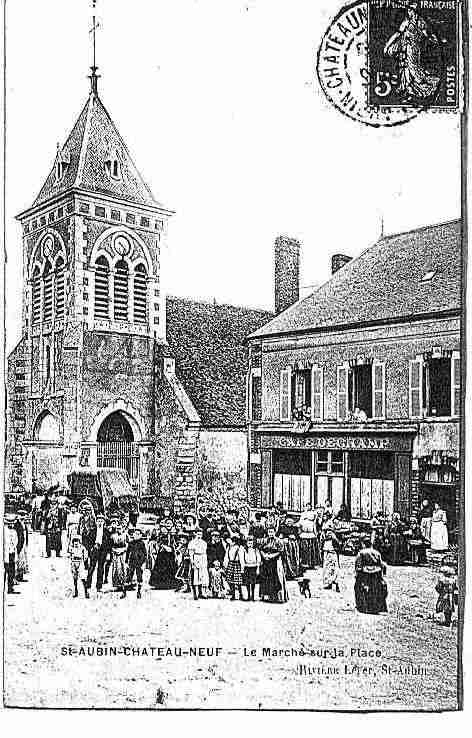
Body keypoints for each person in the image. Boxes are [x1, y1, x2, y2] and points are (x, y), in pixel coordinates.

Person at [383, 1, 440, 102]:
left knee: (413, 68)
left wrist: (436, 40)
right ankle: (405, 89)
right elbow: (397, 33)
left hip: (413, 48)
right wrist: (388, 45)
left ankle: (413, 90)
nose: (410, 12)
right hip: (404, 45)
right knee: (404, 66)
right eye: (409, 9)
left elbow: (427, 34)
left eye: (412, 9)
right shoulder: (406, 21)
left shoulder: (420, 21)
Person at [354, 538, 388, 614]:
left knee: (357, 587)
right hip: (376, 574)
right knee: (376, 590)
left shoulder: (361, 552)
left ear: (364, 544)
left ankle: (362, 606)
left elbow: (358, 565)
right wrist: (382, 575)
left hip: (365, 573)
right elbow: (382, 564)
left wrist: (357, 574)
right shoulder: (377, 552)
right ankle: (377, 607)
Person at [259, 526, 289, 603]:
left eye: (272, 532)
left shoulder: (278, 541)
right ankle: (266, 596)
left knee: (275, 578)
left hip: (275, 562)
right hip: (266, 562)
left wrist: (272, 555)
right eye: (269, 532)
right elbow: (260, 549)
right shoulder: (264, 541)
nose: (270, 534)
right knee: (265, 578)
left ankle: (276, 596)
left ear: (275, 532)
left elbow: (281, 551)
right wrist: (264, 555)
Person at [86, 513, 111, 592]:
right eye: (98, 521)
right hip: (94, 550)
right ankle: (88, 584)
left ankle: (99, 586)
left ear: (104, 522)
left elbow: (109, 544)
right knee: (91, 567)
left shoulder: (107, 532)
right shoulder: (92, 531)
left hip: (102, 551)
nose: (100, 523)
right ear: (96, 522)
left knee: (101, 568)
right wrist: (91, 548)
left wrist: (108, 553)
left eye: (101, 521)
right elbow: (87, 541)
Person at [435, 557, 458, 627]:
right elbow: (455, 587)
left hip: (444, 594)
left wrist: (440, 591)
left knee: (445, 607)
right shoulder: (453, 580)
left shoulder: (442, 579)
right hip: (450, 595)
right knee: (449, 607)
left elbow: (438, 587)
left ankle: (447, 621)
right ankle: (448, 620)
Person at [125, 529, 147, 599]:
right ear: (133, 535)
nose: (136, 535)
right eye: (135, 534)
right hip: (131, 561)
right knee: (129, 576)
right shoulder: (131, 543)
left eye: (138, 534)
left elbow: (145, 553)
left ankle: (139, 591)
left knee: (139, 577)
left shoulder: (142, 543)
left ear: (141, 535)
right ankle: (124, 592)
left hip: (139, 562)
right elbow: (127, 553)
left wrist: (143, 562)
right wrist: (126, 562)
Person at [187, 529, 209, 600]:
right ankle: (195, 594)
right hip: (196, 558)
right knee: (195, 576)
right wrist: (192, 561)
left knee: (202, 576)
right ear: (195, 534)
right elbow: (191, 553)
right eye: (198, 534)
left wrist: (205, 562)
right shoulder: (192, 543)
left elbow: (205, 553)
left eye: (201, 534)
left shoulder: (204, 543)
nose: (199, 536)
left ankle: (201, 593)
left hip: (203, 559)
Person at [224, 535, 246, 601]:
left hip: (237, 564)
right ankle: (233, 594)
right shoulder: (229, 547)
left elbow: (242, 559)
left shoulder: (239, 548)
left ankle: (240, 594)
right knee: (230, 581)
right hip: (230, 564)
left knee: (238, 581)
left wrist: (242, 568)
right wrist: (225, 565)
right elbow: (226, 557)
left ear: (234, 541)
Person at [110, 520, 128, 598]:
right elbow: (111, 545)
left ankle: (124, 585)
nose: (119, 530)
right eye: (117, 528)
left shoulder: (125, 535)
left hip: (123, 553)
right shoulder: (113, 536)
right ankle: (117, 584)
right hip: (115, 554)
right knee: (116, 569)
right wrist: (114, 550)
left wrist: (123, 550)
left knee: (123, 568)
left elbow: (128, 545)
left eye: (120, 528)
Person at [321, 523, 341, 592]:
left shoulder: (334, 540)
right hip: (326, 555)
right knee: (327, 570)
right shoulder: (324, 540)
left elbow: (338, 547)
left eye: (330, 532)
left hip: (333, 555)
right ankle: (328, 583)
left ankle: (336, 583)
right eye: (327, 532)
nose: (328, 534)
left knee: (334, 570)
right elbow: (322, 548)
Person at [68, 534, 89, 598]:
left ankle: (86, 592)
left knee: (83, 578)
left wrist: (85, 563)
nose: (76, 544)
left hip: (80, 562)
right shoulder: (71, 548)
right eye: (74, 542)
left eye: (77, 542)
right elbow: (69, 554)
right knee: (75, 578)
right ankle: (76, 592)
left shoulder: (82, 548)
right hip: (74, 562)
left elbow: (86, 556)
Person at [242, 535, 261, 601]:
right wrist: (243, 567)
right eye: (248, 543)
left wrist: (258, 567)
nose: (250, 545)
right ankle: (248, 595)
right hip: (247, 567)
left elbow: (258, 559)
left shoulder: (256, 550)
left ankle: (252, 595)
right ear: (246, 543)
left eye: (251, 543)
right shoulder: (244, 550)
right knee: (247, 582)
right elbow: (242, 559)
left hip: (253, 567)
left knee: (253, 582)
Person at [4, 514, 19, 595]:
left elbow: (16, 542)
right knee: (5, 571)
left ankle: (10, 587)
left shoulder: (14, 532)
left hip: (12, 553)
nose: (11, 524)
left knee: (12, 571)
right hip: (6, 554)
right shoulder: (4, 531)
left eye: (12, 523)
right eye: (9, 523)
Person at [15, 510, 29, 582]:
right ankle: (17, 576)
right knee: (19, 560)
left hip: (23, 543)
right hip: (19, 544)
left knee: (23, 560)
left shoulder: (24, 524)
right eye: (22, 515)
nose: (23, 517)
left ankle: (21, 576)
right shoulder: (17, 524)